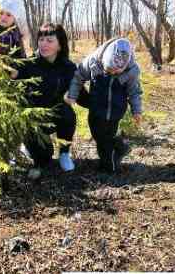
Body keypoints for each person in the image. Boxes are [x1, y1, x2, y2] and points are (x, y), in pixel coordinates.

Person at [10, 23, 88, 180]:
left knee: (67, 114)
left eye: (50, 40)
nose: (43, 44)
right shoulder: (29, 64)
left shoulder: (68, 67)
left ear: (60, 45)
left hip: (57, 114)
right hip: (34, 120)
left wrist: (99, 104)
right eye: (41, 39)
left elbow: (80, 94)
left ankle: (64, 154)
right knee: (44, 160)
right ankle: (30, 146)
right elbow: (13, 76)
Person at [65, 37, 142, 172]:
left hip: (116, 111)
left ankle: (109, 167)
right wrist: (72, 95)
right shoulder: (93, 61)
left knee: (106, 139)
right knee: (98, 136)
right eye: (109, 70)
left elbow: (134, 91)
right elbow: (78, 77)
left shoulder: (132, 70)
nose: (111, 73)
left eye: (115, 72)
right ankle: (120, 148)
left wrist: (137, 111)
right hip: (96, 108)